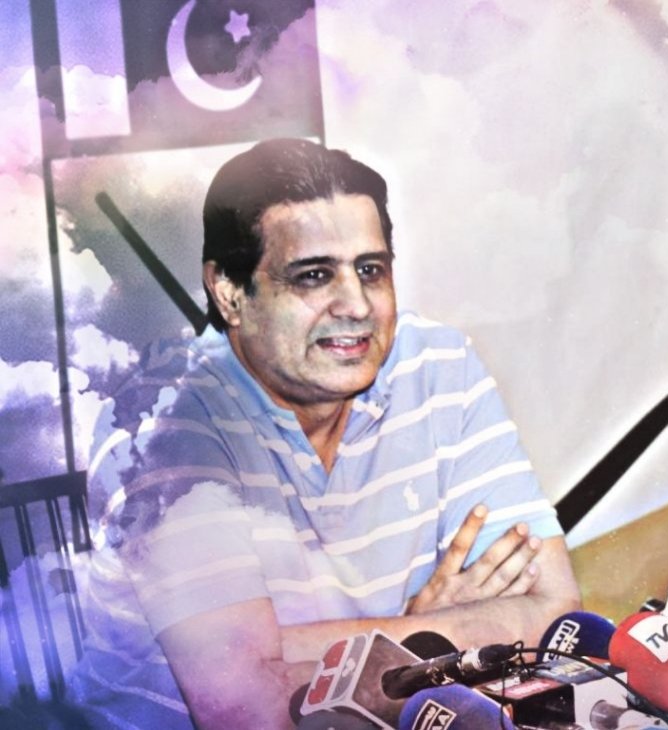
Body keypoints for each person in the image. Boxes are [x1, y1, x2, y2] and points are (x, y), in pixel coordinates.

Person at [72, 138, 580, 729]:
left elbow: (555, 612)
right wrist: (423, 636)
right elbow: (245, 706)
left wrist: (390, 645)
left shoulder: (437, 365)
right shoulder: (162, 424)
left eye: (371, 270)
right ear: (229, 292)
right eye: (314, 276)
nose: (357, 305)